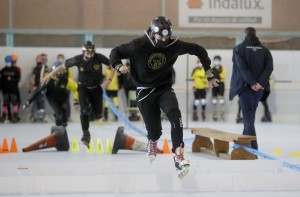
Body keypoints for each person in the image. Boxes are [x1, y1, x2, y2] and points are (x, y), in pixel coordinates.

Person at [109, 16, 219, 178]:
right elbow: (115, 52)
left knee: (175, 113)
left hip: (164, 88)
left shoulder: (174, 45)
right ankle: (152, 142)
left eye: (166, 36)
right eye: (160, 36)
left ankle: (178, 154)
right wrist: (118, 65)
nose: (164, 40)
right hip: (144, 90)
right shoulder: (139, 45)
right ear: (153, 34)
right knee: (155, 132)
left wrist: (209, 74)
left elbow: (200, 50)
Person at [42, 41, 115, 148]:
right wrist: (49, 76)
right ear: (83, 52)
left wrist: (109, 80)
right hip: (83, 88)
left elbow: (113, 66)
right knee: (84, 110)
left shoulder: (99, 57)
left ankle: (91, 112)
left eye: (91, 53)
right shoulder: (78, 59)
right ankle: (86, 134)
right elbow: (62, 67)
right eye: (87, 53)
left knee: (98, 115)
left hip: (96, 88)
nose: (90, 56)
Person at [229, 27, 273, 150]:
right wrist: (260, 83)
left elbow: (241, 68)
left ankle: (253, 148)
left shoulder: (238, 49)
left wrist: (252, 82)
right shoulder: (265, 50)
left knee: (248, 118)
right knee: (250, 115)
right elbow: (269, 68)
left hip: (245, 88)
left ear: (245, 35)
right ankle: (242, 145)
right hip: (260, 89)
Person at [23, 61, 79, 127]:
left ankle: (60, 122)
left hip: (63, 98)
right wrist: (28, 102)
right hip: (52, 98)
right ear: (53, 71)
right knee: (59, 113)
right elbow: (37, 92)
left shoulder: (65, 79)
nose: (58, 74)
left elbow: (76, 88)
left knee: (64, 117)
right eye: (56, 72)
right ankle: (58, 128)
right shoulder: (47, 80)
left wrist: (76, 101)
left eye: (61, 71)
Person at [28, 54, 49, 122]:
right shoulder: (36, 68)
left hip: (42, 87)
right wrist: (32, 86)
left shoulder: (45, 67)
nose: (40, 60)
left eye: (41, 59)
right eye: (39, 59)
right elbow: (33, 78)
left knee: (42, 101)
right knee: (34, 101)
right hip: (35, 88)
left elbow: (46, 77)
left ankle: (43, 116)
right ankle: (32, 116)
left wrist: (42, 86)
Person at [0, 55, 21, 123]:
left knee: (14, 102)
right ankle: (4, 115)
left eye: (9, 61)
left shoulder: (15, 70)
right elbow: (1, 80)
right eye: (7, 61)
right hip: (5, 89)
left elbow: (18, 79)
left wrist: (13, 81)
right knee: (5, 103)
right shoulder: (3, 70)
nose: (8, 62)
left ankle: (15, 115)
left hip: (13, 89)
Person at [211, 55, 226, 121]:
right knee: (214, 100)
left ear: (220, 61)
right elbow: (209, 76)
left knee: (221, 100)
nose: (216, 61)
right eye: (215, 60)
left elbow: (222, 76)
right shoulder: (211, 68)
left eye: (217, 60)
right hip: (214, 84)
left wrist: (215, 73)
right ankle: (214, 114)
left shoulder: (223, 68)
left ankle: (222, 114)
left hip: (221, 84)